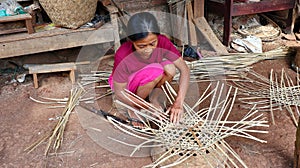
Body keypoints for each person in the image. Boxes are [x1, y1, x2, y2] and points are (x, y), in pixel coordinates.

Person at [108, 12, 190, 127]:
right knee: (155, 70)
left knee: (170, 68)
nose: (148, 50)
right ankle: (134, 109)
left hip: (147, 78)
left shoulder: (163, 42)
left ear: (157, 37)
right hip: (127, 87)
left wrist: (178, 103)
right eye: (141, 46)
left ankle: (153, 98)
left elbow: (184, 69)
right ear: (131, 41)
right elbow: (120, 92)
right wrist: (147, 107)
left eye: (153, 43)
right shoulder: (123, 54)